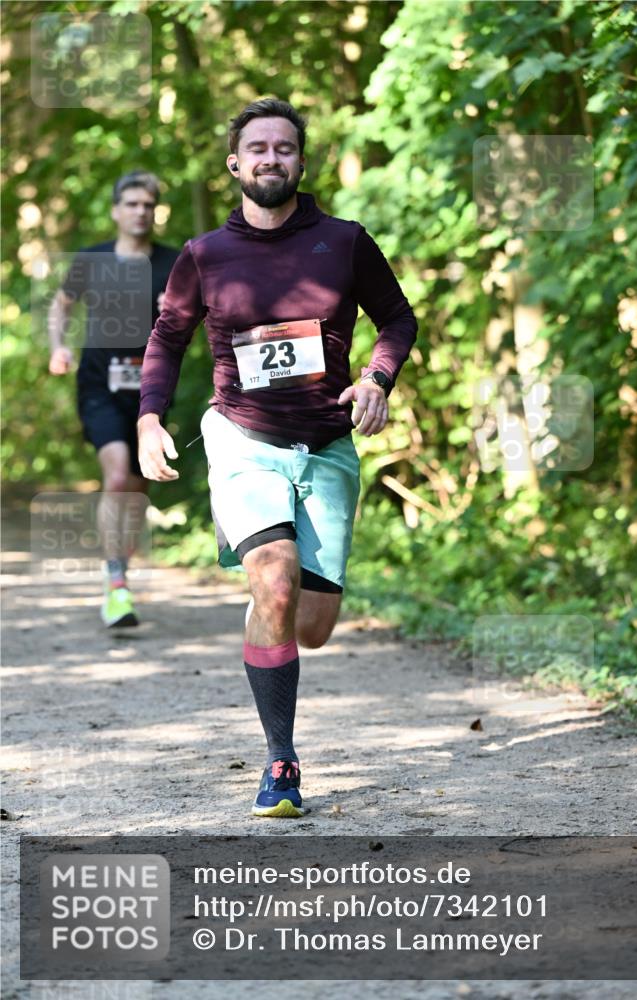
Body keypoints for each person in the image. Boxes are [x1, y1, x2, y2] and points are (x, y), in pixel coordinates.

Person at [138, 99, 417, 817]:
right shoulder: (203, 256)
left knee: (313, 625)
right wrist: (148, 420)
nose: (269, 158)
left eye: (283, 148)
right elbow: (167, 338)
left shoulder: (344, 242)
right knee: (276, 583)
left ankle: (273, 608)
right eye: (255, 148)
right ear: (234, 163)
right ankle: (281, 764)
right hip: (242, 437)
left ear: (300, 160)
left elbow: (397, 318)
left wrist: (376, 379)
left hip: (325, 444)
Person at [48, 171, 180, 628]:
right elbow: (62, 305)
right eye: (132, 204)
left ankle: (119, 573)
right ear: (115, 210)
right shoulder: (91, 259)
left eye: (148, 204)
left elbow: (197, 320)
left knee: (138, 489)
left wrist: (176, 314)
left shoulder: (173, 261)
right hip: (99, 383)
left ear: (154, 210)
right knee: (119, 473)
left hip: (152, 386)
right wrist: (57, 346)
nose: (140, 211)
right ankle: (115, 582)